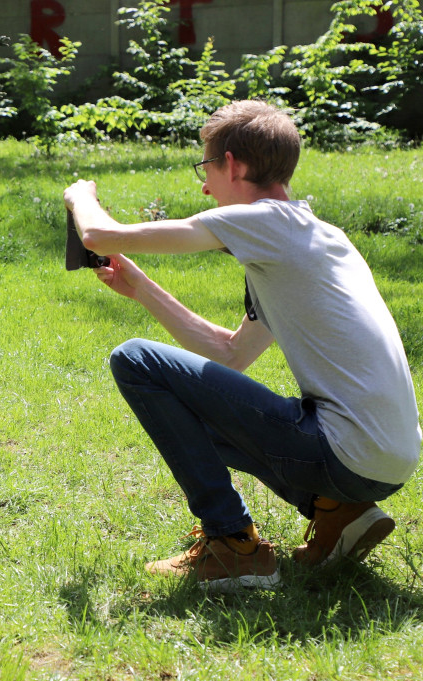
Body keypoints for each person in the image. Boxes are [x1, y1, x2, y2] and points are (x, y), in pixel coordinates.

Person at [64, 100, 421, 592]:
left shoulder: (265, 223)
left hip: (346, 453)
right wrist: (141, 288)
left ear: (233, 164)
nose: (206, 186)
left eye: (206, 168)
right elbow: (230, 352)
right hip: (387, 461)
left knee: (135, 359)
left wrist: (80, 194)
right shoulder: (314, 237)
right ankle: (338, 511)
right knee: (178, 392)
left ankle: (233, 544)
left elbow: (100, 234)